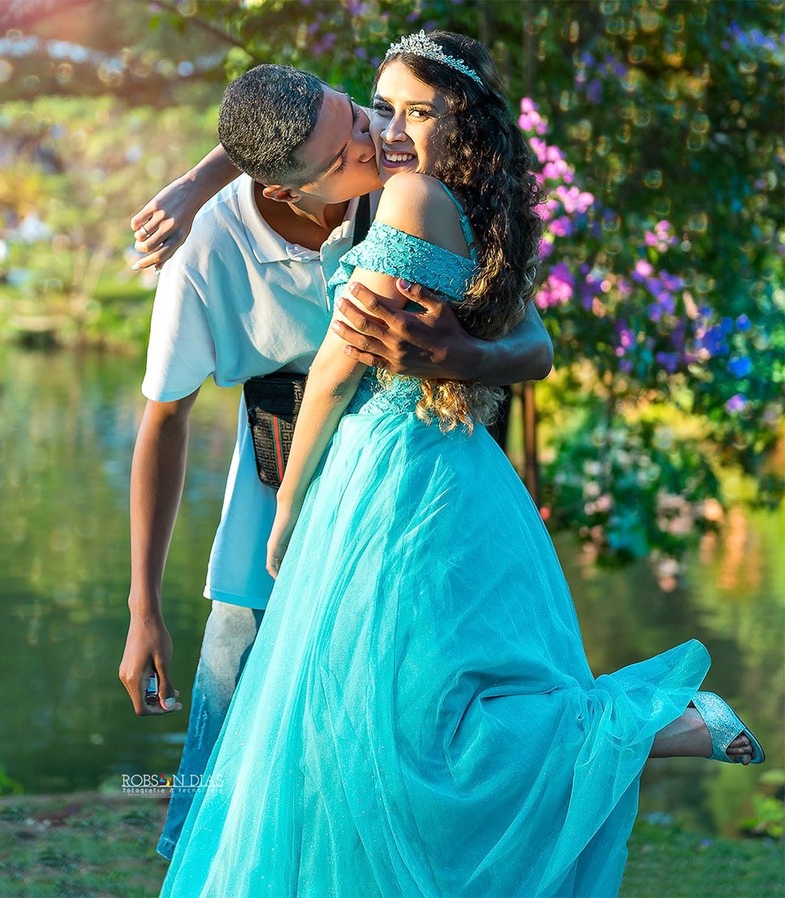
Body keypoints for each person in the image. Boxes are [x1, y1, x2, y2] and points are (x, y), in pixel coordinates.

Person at [159, 31, 764, 898]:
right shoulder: (466, 200)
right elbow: (275, 117)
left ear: (463, 122)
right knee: (378, 713)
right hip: (436, 464)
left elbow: (333, 370)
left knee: (396, 725)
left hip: (394, 473)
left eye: (416, 111)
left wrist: (288, 503)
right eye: (381, 109)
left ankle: (655, 725)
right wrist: (191, 186)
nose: (389, 129)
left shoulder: (407, 194)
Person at [117, 64, 556, 862]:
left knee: (401, 741)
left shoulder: (398, 182)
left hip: (395, 501)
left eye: (361, 113)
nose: (374, 135)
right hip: (275, 501)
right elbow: (165, 422)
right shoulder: (208, 250)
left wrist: (461, 354)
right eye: (352, 138)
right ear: (289, 190)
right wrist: (143, 603)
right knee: (216, 760)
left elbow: (533, 344)